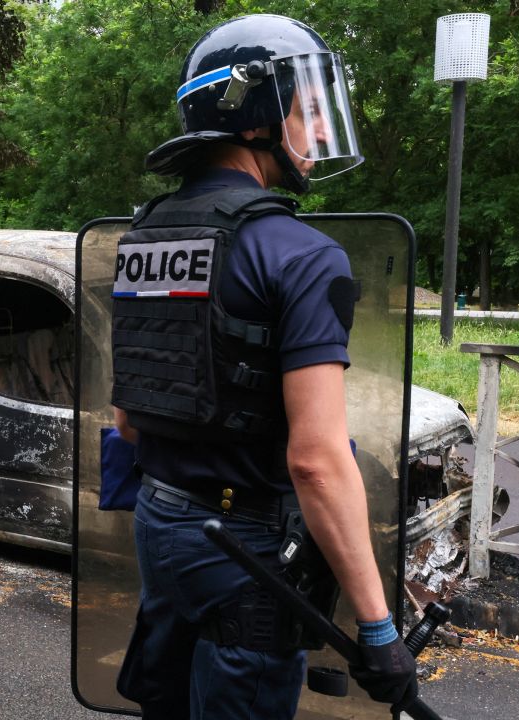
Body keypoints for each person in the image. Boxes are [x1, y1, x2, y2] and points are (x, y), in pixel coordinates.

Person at [111, 14, 417, 720]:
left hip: (161, 525)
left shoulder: (143, 236)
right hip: (245, 550)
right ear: (251, 115)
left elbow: (129, 420)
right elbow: (316, 460)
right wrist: (378, 630)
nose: (315, 135)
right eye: (306, 112)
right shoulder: (303, 256)